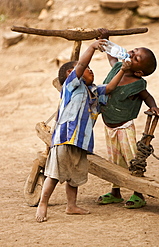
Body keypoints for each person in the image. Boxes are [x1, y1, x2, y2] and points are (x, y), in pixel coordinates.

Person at [35, 37, 131, 222]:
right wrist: (92, 47)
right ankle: (43, 203)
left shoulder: (94, 91)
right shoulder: (71, 86)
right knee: (55, 174)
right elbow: (81, 65)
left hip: (82, 141)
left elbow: (110, 88)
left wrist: (123, 70)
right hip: (65, 137)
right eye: (88, 69)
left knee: (75, 176)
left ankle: (71, 206)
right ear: (72, 72)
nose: (90, 70)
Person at [97, 36, 159, 209]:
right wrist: (105, 40)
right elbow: (112, 57)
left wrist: (154, 106)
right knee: (114, 160)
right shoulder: (118, 67)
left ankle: (138, 193)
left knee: (132, 160)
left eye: (136, 58)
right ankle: (115, 192)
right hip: (109, 125)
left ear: (139, 72)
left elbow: (147, 96)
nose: (131, 54)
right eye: (133, 51)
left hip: (124, 127)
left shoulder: (137, 84)